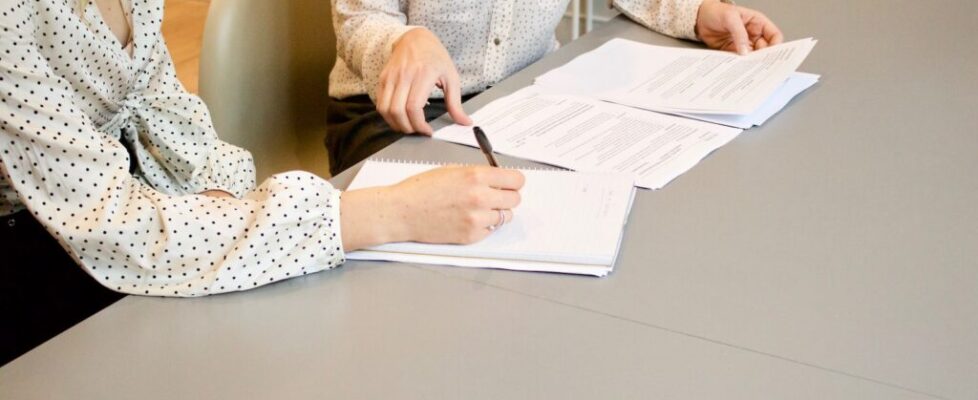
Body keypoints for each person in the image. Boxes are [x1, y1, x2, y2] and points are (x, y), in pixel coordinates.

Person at [0, 0, 523, 365]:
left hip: (119, 196)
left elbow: (164, 109)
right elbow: (115, 224)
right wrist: (390, 212)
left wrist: (223, 199)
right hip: (35, 243)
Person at [326, 0, 784, 173]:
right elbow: (359, 19)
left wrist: (696, 13)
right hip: (393, 111)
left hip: (523, 100)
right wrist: (404, 41)